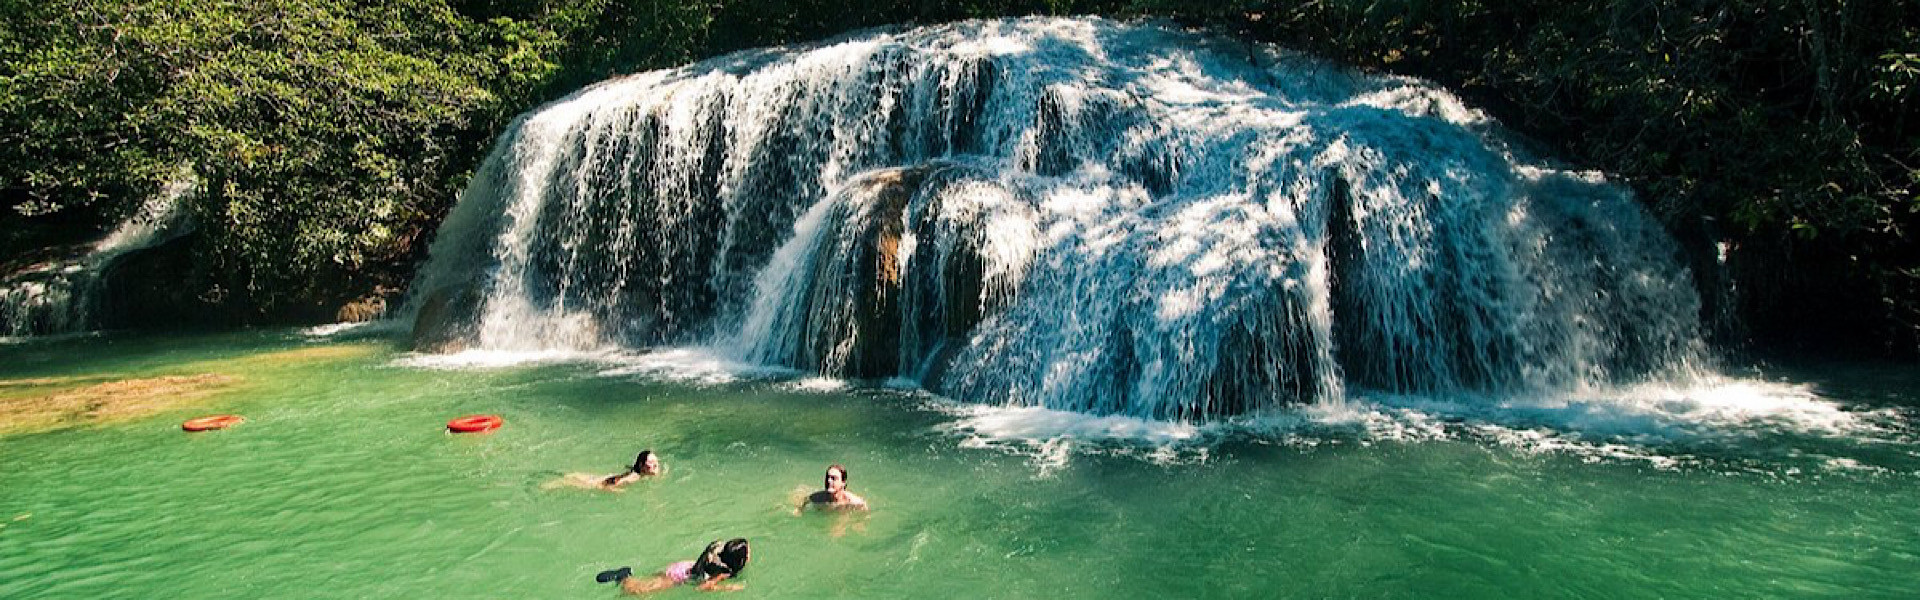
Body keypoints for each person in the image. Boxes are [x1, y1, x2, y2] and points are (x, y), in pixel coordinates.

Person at [596, 538, 749, 594]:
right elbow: (702, 588)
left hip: (684, 567)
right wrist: (728, 588)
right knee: (636, 592)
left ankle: (627, 577)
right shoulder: (724, 572)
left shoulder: (718, 557)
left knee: (647, 585)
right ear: (740, 560)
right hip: (679, 576)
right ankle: (623, 576)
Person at [548, 450, 662, 491]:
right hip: (595, 483)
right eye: (651, 462)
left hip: (595, 477)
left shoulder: (637, 473)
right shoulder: (635, 477)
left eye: (656, 461)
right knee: (561, 483)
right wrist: (613, 490)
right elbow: (610, 483)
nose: (655, 464)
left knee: (569, 476)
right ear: (642, 465)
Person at [802, 464, 868, 511]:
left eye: (833, 478)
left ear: (843, 482)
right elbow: (806, 500)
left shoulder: (852, 501)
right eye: (828, 477)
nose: (829, 480)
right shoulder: (818, 497)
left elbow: (864, 509)